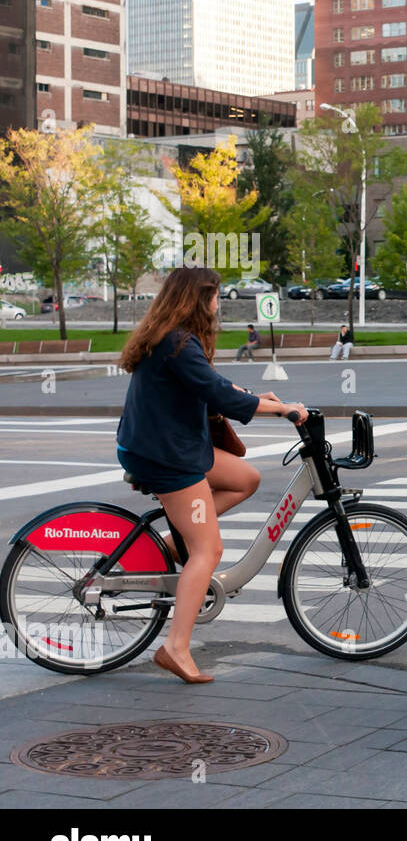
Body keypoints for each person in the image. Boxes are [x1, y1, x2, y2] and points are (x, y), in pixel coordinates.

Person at [117, 266, 307, 684]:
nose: (220, 304)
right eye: (216, 296)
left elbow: (208, 385)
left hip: (166, 444)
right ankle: (175, 648)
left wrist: (255, 397)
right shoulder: (179, 343)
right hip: (168, 456)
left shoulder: (169, 336)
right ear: (199, 298)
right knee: (209, 551)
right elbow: (216, 392)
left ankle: (170, 544)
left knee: (246, 478)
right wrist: (281, 408)